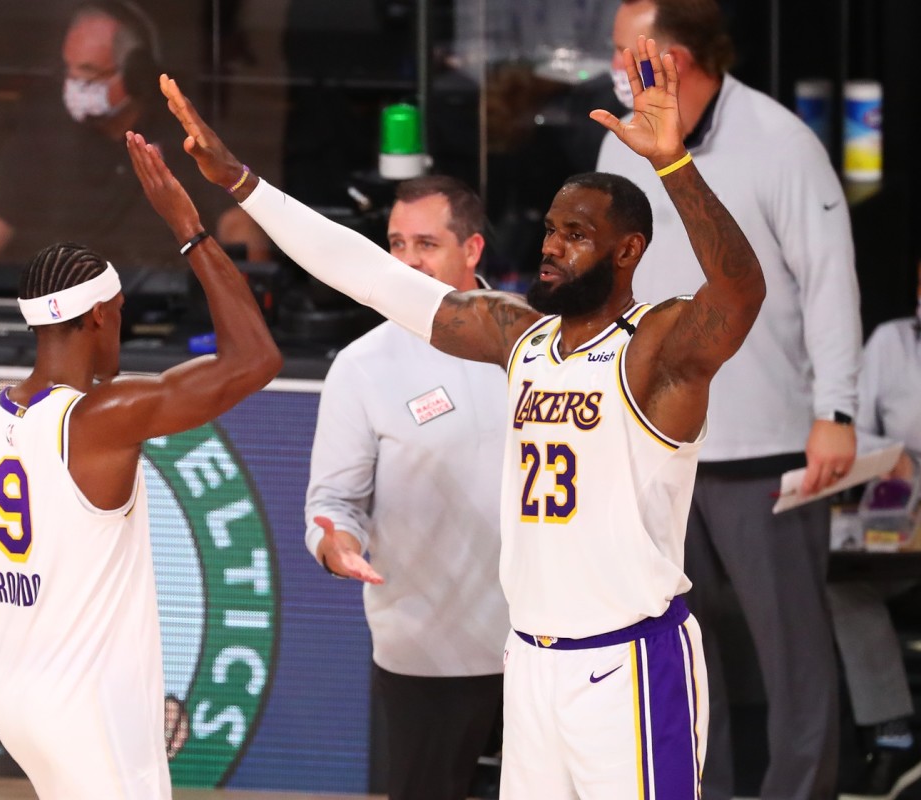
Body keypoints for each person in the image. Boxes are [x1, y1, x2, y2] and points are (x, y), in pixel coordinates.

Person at [157, 25, 766, 795]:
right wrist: (242, 182)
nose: (553, 246)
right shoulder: (519, 336)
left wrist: (673, 163)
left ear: (627, 251)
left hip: (628, 661)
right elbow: (372, 276)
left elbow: (740, 291)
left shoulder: (657, 350)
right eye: (551, 229)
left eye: (578, 234)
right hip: (531, 659)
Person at [0, 130, 282, 797]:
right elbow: (255, 359)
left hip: (16, 705)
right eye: (119, 312)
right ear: (101, 316)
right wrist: (188, 227)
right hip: (92, 715)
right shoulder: (102, 417)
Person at [595, 3, 862, 799]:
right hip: (653, 444)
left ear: (671, 59)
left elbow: (829, 278)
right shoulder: (619, 141)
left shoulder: (780, 141)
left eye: (624, 50)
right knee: (678, 653)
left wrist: (837, 411)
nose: (612, 65)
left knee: (792, 653)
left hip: (763, 446)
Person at [0, 0, 266, 333]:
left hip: (165, 327)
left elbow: (239, 221)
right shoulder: (49, 127)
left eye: (87, 73)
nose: (72, 84)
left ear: (135, 73)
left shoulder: (185, 129)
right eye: (68, 69)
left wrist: (247, 315)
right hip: (70, 329)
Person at [305, 175, 510, 800]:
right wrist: (336, 545)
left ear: (472, 249)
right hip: (428, 650)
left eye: (426, 243)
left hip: (542, 643)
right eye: (396, 244)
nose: (407, 260)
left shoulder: (535, 340)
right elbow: (333, 504)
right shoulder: (363, 366)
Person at [828, 263, 921, 799]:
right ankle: (892, 731)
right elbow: (850, 427)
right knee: (842, 586)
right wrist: (890, 455)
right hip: (902, 501)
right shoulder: (891, 342)